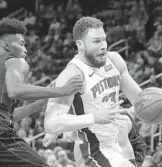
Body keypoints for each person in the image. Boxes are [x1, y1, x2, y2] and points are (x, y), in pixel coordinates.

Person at [43, 16, 146, 167]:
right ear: (80, 44)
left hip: (125, 140)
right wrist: (95, 117)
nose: (103, 45)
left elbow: (140, 99)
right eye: (97, 41)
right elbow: (51, 122)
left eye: (104, 39)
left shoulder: (114, 60)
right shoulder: (72, 74)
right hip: (97, 149)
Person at [0, 17, 83, 167]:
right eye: (21, 44)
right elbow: (14, 90)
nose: (25, 49)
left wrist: (42, 101)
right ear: (6, 45)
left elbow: (10, 115)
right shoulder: (15, 61)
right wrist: (61, 90)